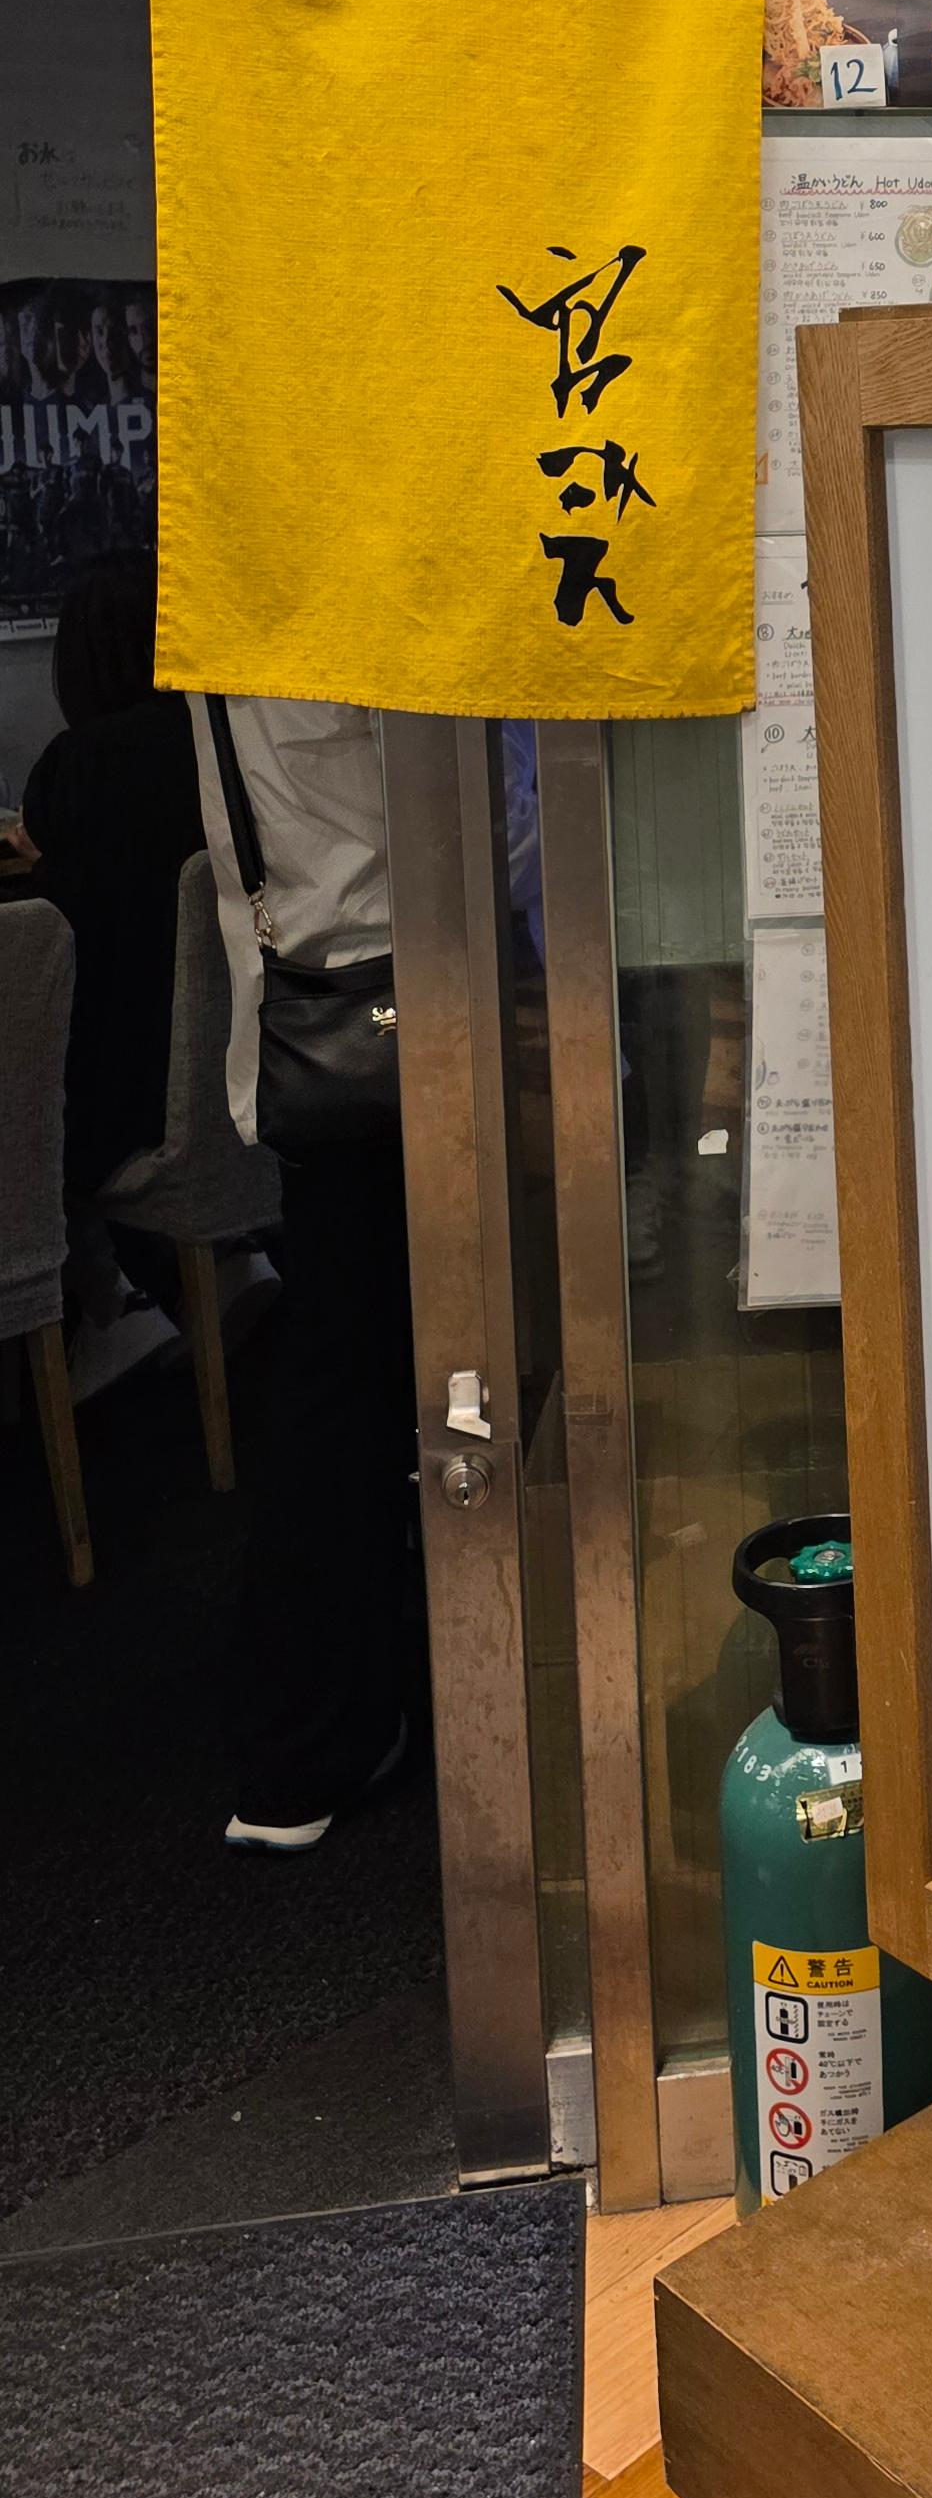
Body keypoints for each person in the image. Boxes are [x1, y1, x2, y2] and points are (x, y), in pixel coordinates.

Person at [193, 695, 417, 1854]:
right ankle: (307, 1737)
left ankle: (311, 1731)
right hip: (389, 1000)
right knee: (353, 1370)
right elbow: (447, 804)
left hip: (310, 1002)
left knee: (347, 1359)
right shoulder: (311, 612)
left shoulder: (223, 615)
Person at [17, 551, 208, 1388]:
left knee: (31, 1082)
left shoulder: (77, 766)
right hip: (231, 1088)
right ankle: (222, 1265)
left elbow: (71, 919)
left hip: (119, 1103)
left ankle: (106, 1301)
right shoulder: (219, 746)